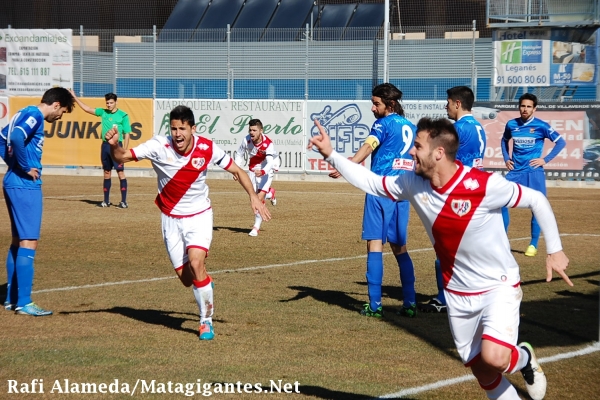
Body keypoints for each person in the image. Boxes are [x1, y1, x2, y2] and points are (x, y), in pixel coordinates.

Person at [310, 116, 572, 400]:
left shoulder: (483, 184)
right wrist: (331, 155)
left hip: (499, 285)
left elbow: (537, 200)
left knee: (495, 357)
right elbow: (373, 183)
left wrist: (554, 250)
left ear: (438, 153)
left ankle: (523, 358)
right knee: (483, 372)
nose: (411, 151)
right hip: (457, 293)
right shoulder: (413, 182)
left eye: (417, 146)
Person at [105, 105, 270, 340]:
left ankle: (206, 322)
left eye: (182, 128)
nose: (177, 134)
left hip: (199, 215)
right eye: (173, 128)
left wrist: (254, 197)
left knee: (195, 262)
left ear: (193, 129)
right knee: (187, 279)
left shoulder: (207, 147)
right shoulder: (158, 146)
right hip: (170, 219)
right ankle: (205, 284)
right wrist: (114, 146)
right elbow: (122, 156)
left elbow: (238, 170)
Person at [329, 83, 417, 318]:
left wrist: (347, 164)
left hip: (380, 189)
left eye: (376, 103)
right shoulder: (411, 126)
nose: (372, 108)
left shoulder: (382, 124)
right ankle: (410, 303)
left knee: (374, 245)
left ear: (390, 104)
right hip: (403, 191)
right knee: (400, 248)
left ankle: (375, 305)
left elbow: (370, 145)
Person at [0, 87, 75, 316]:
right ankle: (24, 302)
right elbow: (14, 137)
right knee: (29, 242)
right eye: (62, 111)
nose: (60, 116)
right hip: (25, 184)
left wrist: (12, 165)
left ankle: (12, 299)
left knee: (17, 241)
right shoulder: (35, 115)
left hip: (12, 180)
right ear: (55, 105)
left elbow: (2, 138)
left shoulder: (22, 112)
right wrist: (23, 167)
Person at [420, 86, 487, 314]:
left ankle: (444, 298)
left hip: (459, 195)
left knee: (445, 250)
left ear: (457, 103)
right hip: (476, 191)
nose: (445, 106)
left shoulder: (458, 130)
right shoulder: (478, 127)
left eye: (448, 102)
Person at [501, 93, 566, 257]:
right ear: (519, 107)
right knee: (499, 201)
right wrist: (507, 159)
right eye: (523, 106)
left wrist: (545, 159)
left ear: (534, 109)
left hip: (534, 172)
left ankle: (533, 244)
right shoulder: (511, 124)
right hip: (516, 172)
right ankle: (502, 241)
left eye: (529, 106)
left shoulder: (541, 126)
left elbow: (561, 142)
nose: (525, 109)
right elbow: (504, 140)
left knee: (538, 208)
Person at [69, 90, 132, 208]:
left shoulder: (123, 115)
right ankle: (106, 201)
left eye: (111, 103)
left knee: (120, 172)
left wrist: (125, 150)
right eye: (107, 103)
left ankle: (123, 202)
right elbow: (87, 109)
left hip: (117, 147)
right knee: (107, 172)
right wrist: (74, 97)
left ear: (116, 102)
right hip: (105, 146)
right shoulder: (103, 112)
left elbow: (127, 133)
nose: (109, 105)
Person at [233, 118, 279, 237]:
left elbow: (269, 162)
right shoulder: (246, 140)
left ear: (260, 131)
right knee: (253, 197)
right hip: (252, 170)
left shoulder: (268, 143)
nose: (251, 132)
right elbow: (239, 154)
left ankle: (256, 227)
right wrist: (236, 170)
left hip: (266, 170)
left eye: (254, 130)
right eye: (250, 130)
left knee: (259, 198)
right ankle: (271, 193)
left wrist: (263, 171)